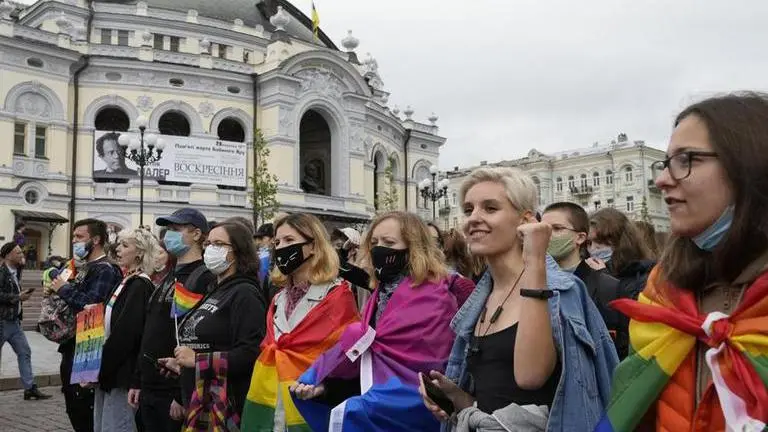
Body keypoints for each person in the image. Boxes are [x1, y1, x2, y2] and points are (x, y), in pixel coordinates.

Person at [596, 93, 768, 431]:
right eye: (667, 162)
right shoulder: (661, 296)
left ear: (750, 167)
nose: (662, 180)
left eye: (687, 159)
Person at [420, 167, 617, 432]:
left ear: (525, 220)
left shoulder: (564, 291)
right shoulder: (479, 299)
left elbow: (530, 377)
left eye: (490, 208)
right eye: (469, 210)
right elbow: (496, 402)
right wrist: (459, 399)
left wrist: (535, 259)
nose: (473, 219)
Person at [292, 211, 459, 431]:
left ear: (414, 247)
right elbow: (372, 359)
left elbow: (430, 369)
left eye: (389, 242)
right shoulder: (381, 292)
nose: (379, 248)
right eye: (374, 242)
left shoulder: (437, 296)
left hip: (415, 411)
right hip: (374, 399)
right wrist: (326, 385)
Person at [241, 213, 359, 431]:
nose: (280, 247)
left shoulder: (337, 295)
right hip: (271, 405)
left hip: (313, 406)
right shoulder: (278, 299)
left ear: (313, 246)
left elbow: (346, 357)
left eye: (289, 241)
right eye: (277, 242)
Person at [161, 222, 266, 429]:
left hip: (225, 406)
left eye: (218, 243)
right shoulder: (214, 290)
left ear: (237, 251)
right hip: (199, 401)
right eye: (208, 243)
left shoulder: (245, 294)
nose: (210, 249)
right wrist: (181, 364)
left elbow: (250, 354)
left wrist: (198, 360)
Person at [138, 208, 216, 432]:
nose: (168, 235)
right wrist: (137, 380)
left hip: (173, 391)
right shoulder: (168, 276)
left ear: (197, 234)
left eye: (176, 229)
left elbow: (199, 337)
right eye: (168, 229)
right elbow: (151, 327)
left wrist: (181, 395)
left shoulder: (204, 277)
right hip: (149, 386)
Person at [49, 218, 123, 432]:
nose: (74, 242)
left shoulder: (106, 270)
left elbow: (92, 307)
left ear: (96, 239)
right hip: (72, 345)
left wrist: (64, 289)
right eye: (73, 237)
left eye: (79, 237)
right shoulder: (81, 267)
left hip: (88, 349)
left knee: (84, 411)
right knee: (74, 407)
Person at [541, 202, 628, 359]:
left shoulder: (606, 287)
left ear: (580, 237)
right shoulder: (532, 283)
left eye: (557, 229)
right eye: (544, 229)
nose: (548, 235)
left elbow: (613, 351)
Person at [94, 228, 159, 432]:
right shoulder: (126, 280)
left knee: (116, 426)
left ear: (139, 253)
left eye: (125, 245)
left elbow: (126, 334)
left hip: (121, 373)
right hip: (110, 371)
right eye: (119, 244)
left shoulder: (140, 285)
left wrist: (99, 369)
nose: (118, 249)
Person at [0, 242, 51, 400]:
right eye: (18, 253)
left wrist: (21, 297)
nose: (22, 255)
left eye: (21, 252)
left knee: (25, 352)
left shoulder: (16, 272)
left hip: (14, 323)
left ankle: (29, 388)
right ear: (8, 255)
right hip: (2, 322)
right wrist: (17, 298)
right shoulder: (1, 272)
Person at [587, 208, 655, 300]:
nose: (593, 249)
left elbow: (622, 309)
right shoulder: (587, 274)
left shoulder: (644, 276)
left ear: (621, 241)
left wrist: (604, 277)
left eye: (600, 241)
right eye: (589, 243)